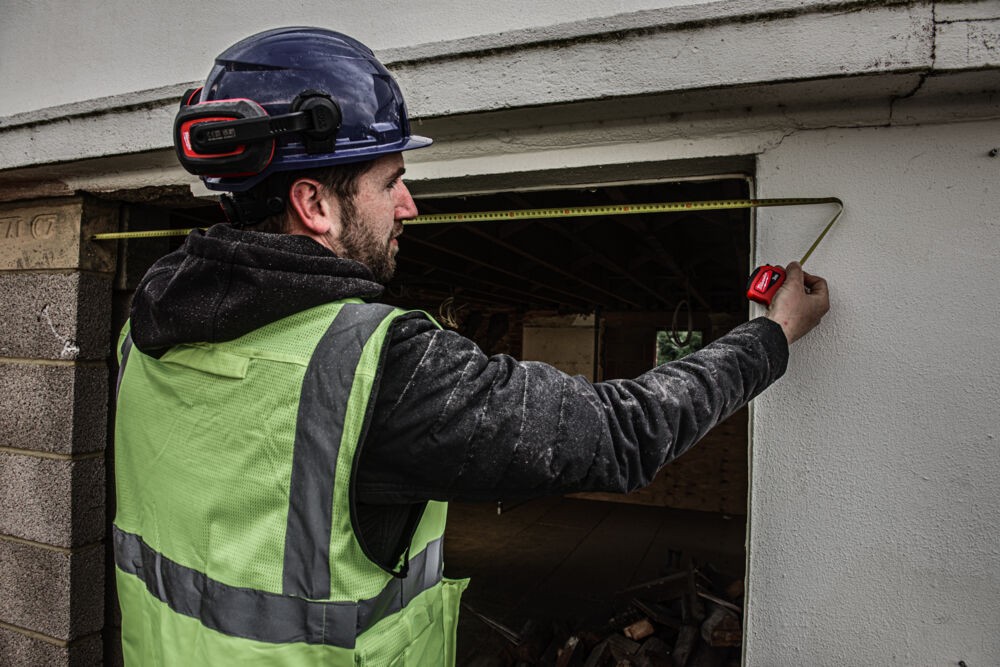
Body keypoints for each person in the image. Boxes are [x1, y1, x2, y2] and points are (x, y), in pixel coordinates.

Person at [113, 27, 829, 666]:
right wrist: (774, 332)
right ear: (315, 205)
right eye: (390, 181)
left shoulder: (141, 341)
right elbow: (621, 433)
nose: (409, 206)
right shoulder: (377, 366)